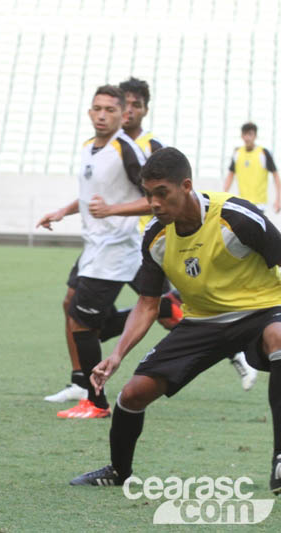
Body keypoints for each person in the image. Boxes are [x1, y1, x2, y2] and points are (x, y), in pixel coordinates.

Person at [70, 147, 281, 495]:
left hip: (264, 310)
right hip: (203, 322)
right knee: (133, 394)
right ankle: (119, 470)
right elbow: (147, 304)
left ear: (186, 186)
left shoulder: (237, 217)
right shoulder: (155, 237)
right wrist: (118, 354)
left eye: (161, 193)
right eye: (148, 194)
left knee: (278, 336)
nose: (152, 203)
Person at [86, 78, 258, 391]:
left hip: (152, 245)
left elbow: (161, 197)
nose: (128, 111)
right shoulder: (104, 147)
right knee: (88, 308)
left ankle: (232, 348)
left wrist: (113, 210)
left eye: (136, 105)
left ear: (143, 110)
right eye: (125, 104)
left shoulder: (151, 149)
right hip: (116, 243)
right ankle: (84, 375)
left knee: (152, 308)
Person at [37, 85, 149, 418]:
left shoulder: (126, 150)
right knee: (82, 318)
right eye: (97, 109)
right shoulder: (89, 147)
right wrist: (61, 212)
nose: (102, 115)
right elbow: (90, 196)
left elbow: (153, 200)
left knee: (80, 323)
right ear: (89, 112)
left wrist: (113, 211)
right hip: (95, 247)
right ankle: (152, 310)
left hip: (114, 249)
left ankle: (95, 402)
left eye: (110, 110)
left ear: (122, 115)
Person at [225, 122, 281, 214]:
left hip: (259, 205)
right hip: (243, 204)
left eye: (250, 134)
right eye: (245, 134)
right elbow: (230, 176)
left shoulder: (263, 153)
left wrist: (278, 200)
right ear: (242, 136)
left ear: (255, 136)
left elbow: (276, 176)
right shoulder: (237, 153)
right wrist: (224, 196)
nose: (247, 138)